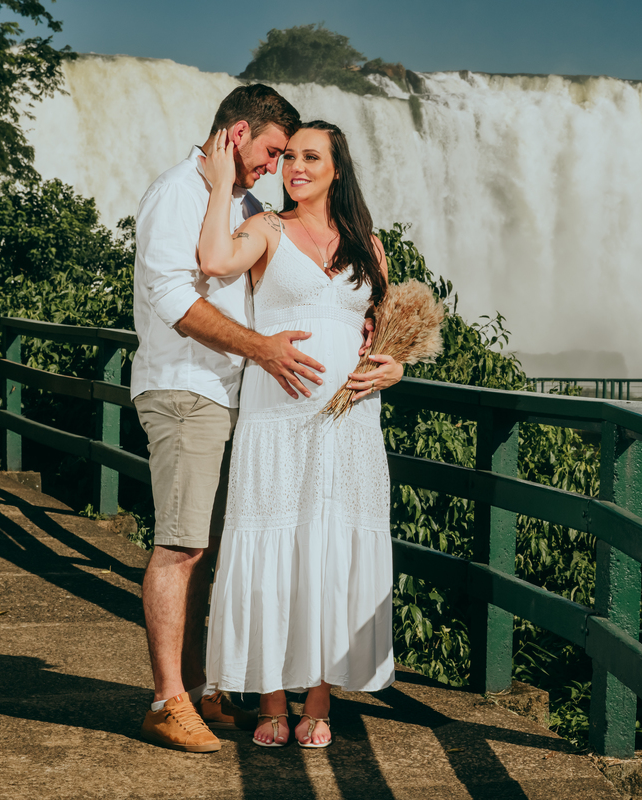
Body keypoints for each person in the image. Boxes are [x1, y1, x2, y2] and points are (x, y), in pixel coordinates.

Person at [132, 84, 329, 753]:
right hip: (186, 389)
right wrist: (260, 350)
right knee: (181, 546)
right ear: (239, 132)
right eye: (273, 152)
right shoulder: (178, 192)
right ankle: (166, 702)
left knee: (208, 552)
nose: (276, 168)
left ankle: (197, 688)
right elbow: (171, 296)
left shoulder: (241, 204)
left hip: (229, 396)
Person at [198, 120, 403, 749]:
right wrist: (221, 186)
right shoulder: (266, 227)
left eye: (311, 157)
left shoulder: (367, 243)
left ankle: (318, 699)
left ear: (337, 168)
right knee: (274, 546)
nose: (296, 167)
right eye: (288, 156)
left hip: (350, 424)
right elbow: (211, 261)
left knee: (326, 549)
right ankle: (269, 700)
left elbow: (387, 327)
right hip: (278, 416)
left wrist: (396, 368)